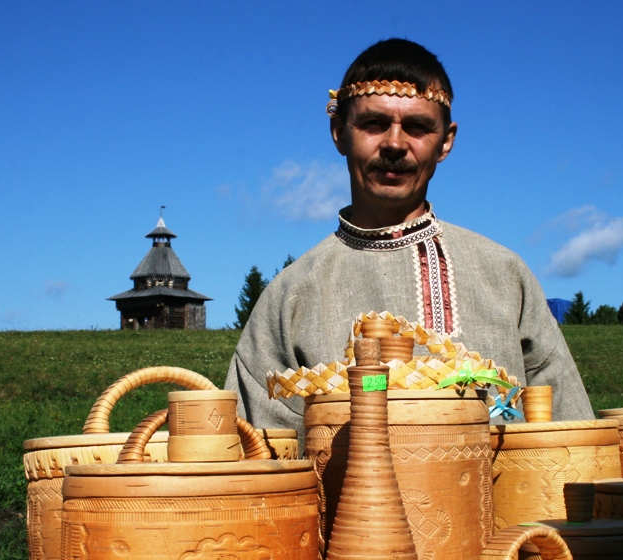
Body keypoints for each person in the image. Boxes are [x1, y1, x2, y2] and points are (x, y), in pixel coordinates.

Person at [225, 38, 593, 432]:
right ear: (339, 132)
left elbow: (575, 440)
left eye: (417, 127)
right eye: (374, 123)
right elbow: (255, 460)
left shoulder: (503, 275)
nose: (396, 144)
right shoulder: (292, 295)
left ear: (445, 141)